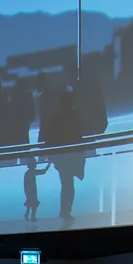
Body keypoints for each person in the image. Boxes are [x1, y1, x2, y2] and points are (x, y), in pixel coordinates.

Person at [41, 83, 83, 222]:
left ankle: (64, 210)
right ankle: (65, 211)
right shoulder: (72, 116)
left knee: (67, 185)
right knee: (68, 185)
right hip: (68, 156)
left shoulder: (57, 117)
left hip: (63, 157)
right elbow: (78, 136)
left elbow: (49, 137)